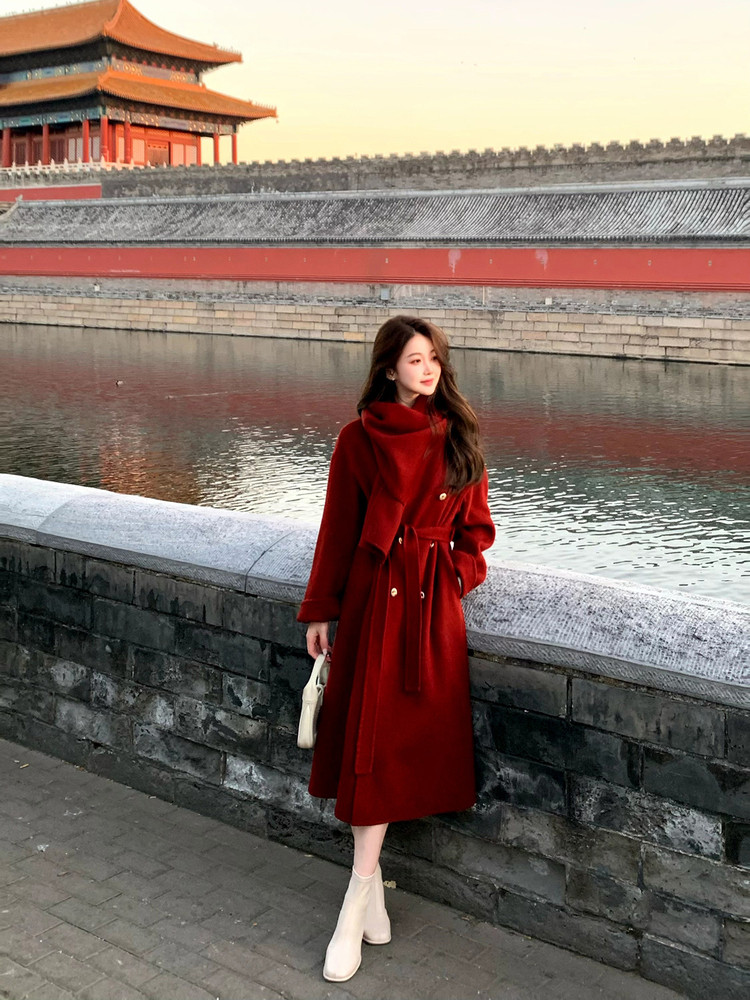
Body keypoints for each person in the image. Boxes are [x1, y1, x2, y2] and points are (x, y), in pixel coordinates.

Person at [297, 315, 495, 983]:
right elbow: (338, 528)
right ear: (389, 368)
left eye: (434, 357)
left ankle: (358, 899)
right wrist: (321, 609)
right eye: (415, 359)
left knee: (389, 753)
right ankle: (364, 896)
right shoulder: (357, 439)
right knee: (368, 753)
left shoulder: (458, 434)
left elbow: (478, 533)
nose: (428, 369)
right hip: (370, 605)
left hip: (428, 615)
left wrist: (453, 575)